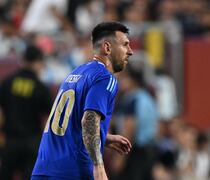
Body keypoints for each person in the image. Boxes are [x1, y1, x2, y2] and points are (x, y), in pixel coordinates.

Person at [31, 22, 133, 180]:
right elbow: (89, 120)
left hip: (43, 169)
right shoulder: (105, 78)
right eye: (125, 45)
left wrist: (104, 136)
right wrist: (98, 166)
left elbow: (69, 121)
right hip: (73, 171)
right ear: (107, 48)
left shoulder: (76, 73)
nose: (130, 51)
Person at [0, 44, 52, 180]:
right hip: (32, 142)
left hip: (10, 142)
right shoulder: (41, 88)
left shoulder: (7, 82)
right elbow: (49, 119)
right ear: (37, 62)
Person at [112, 63, 158, 180]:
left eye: (123, 78)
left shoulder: (132, 99)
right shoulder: (147, 97)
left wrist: (120, 158)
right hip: (150, 151)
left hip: (135, 153)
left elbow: (130, 127)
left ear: (132, 80)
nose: (119, 81)